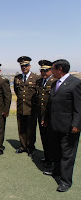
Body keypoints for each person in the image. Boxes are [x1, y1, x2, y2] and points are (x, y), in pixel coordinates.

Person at [42, 59, 81, 192]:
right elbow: (50, 105)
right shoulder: (55, 84)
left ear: (60, 70)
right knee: (56, 151)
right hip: (55, 125)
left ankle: (65, 181)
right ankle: (56, 172)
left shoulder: (75, 84)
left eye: (52, 69)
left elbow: (79, 107)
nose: (50, 71)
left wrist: (76, 124)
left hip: (69, 127)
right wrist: (45, 119)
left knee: (67, 155)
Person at [14, 56, 39, 156]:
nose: (24, 67)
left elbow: (37, 93)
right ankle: (23, 146)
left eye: (26, 65)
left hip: (31, 108)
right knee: (22, 128)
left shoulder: (36, 78)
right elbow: (17, 91)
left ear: (30, 66)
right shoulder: (17, 78)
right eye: (22, 66)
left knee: (31, 129)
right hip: (21, 107)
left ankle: (30, 147)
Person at [36, 60, 56, 167]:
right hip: (41, 113)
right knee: (44, 137)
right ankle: (47, 157)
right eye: (42, 70)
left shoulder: (54, 81)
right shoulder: (40, 81)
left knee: (50, 138)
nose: (43, 72)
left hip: (50, 115)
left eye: (45, 70)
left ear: (51, 70)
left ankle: (52, 160)